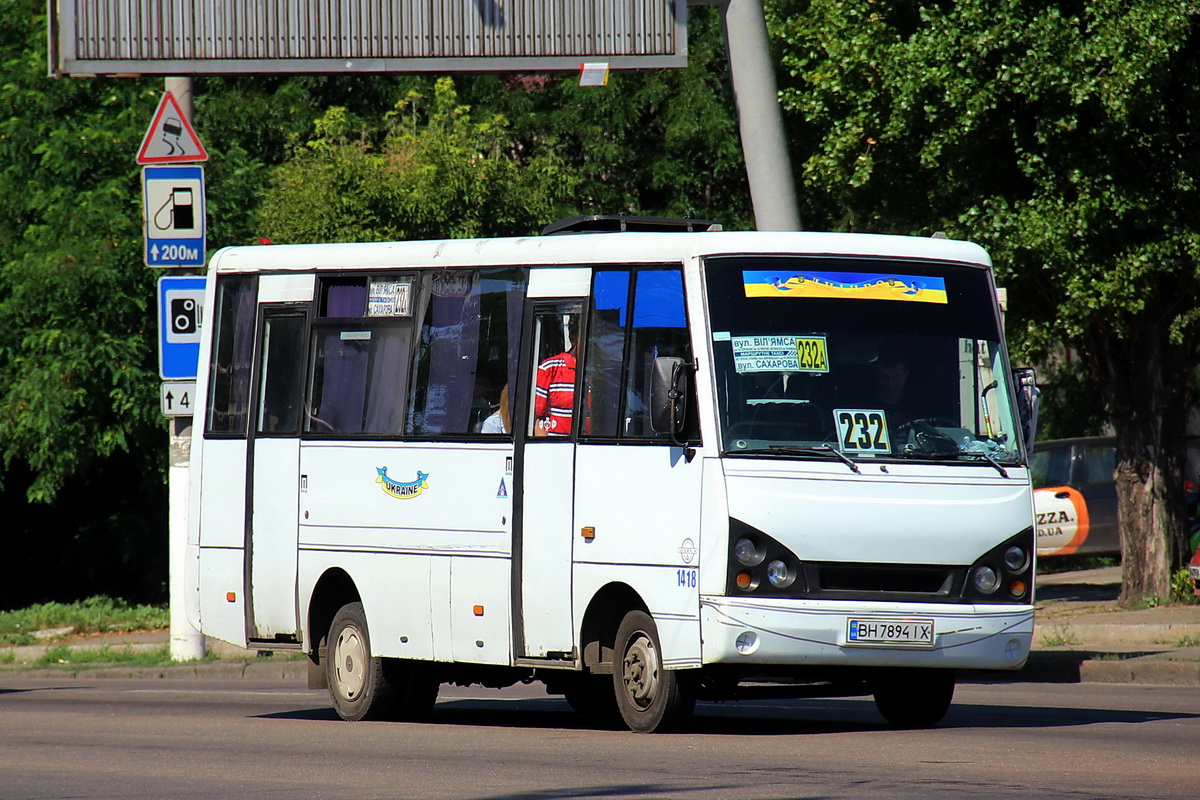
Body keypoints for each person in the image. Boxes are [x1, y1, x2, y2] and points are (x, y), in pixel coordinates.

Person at [534, 326, 577, 436]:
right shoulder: (549, 368)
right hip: (555, 446)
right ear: (573, 338)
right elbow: (535, 418)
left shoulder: (602, 371)